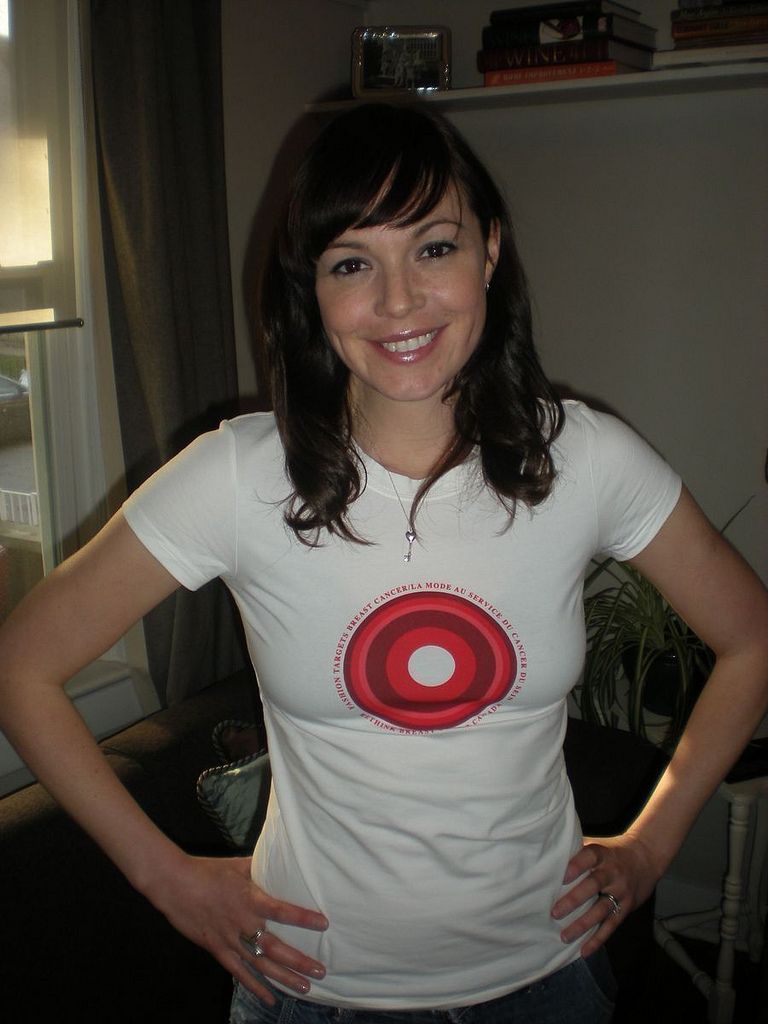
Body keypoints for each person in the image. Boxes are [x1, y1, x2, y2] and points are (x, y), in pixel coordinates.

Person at [0, 102, 766, 1024]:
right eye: (352, 263)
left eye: (434, 248)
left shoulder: (586, 460)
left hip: (547, 982)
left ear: (489, 251)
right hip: (311, 993)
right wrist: (165, 877)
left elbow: (752, 640)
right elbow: (21, 667)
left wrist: (651, 845)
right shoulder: (237, 477)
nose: (399, 302)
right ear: (311, 289)